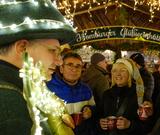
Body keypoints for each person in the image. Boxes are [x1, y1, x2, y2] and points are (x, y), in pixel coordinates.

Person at [0, 0, 76, 134]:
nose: (59, 62)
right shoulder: (10, 105)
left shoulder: (25, 90)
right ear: (22, 48)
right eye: (53, 51)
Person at [98, 58, 152, 135]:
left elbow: (148, 126)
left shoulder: (140, 95)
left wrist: (130, 125)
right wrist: (100, 123)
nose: (118, 74)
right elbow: (99, 115)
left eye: (123, 70)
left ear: (130, 73)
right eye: (114, 71)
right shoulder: (106, 94)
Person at [47, 52, 96, 135]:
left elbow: (94, 108)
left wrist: (90, 110)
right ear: (61, 68)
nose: (74, 69)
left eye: (78, 66)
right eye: (70, 65)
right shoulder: (48, 88)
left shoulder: (86, 89)